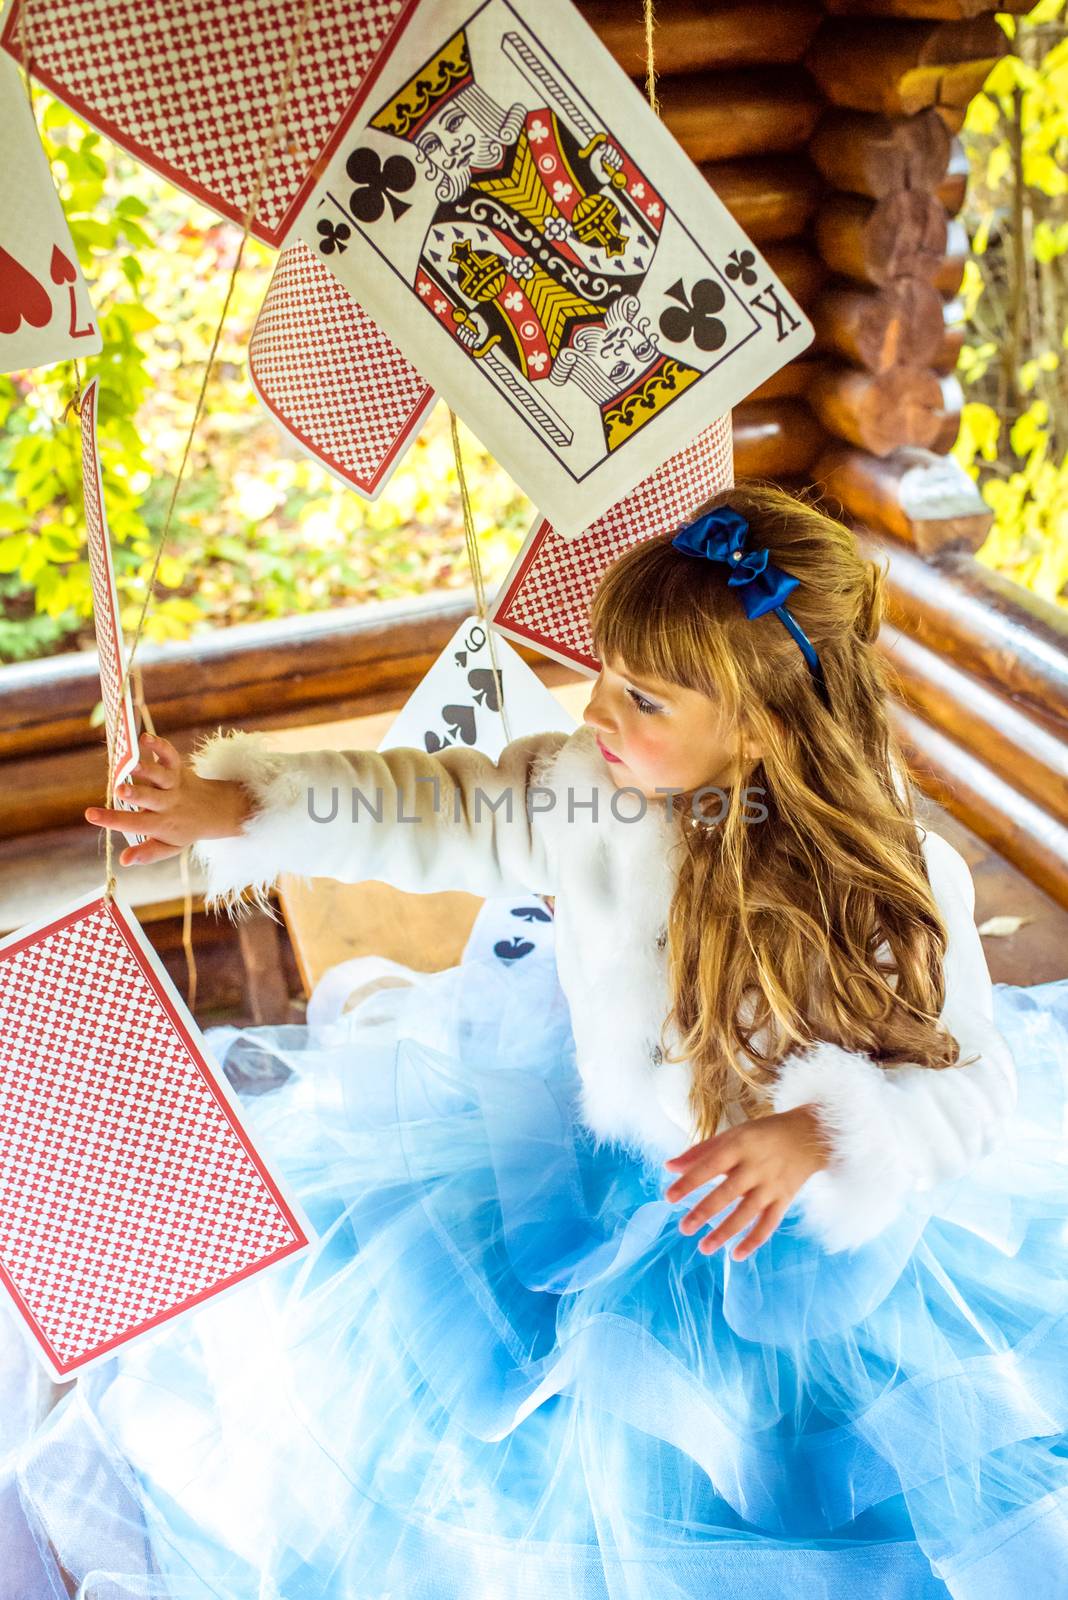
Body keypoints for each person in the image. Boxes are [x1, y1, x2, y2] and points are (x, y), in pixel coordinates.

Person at [8, 483, 1068, 1600]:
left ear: (763, 723)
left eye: (645, 697)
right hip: (600, 1191)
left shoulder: (895, 881)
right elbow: (434, 808)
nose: (599, 711)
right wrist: (243, 810)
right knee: (431, 1385)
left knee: (770, 1494)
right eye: (606, 673)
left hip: (802, 1264)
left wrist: (823, 1132)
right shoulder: (589, 793)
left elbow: (973, 1081)